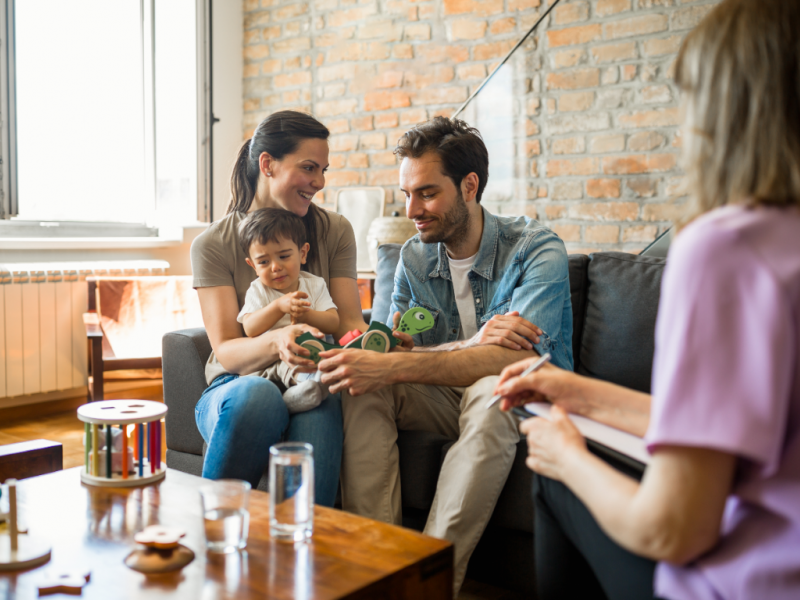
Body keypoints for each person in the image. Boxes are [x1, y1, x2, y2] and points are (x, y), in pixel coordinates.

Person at [493, 1, 800, 598]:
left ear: (723, 113)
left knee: (552, 475)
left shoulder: (727, 246)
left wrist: (566, 456)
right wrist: (578, 392)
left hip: (748, 582)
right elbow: (745, 428)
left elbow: (671, 530)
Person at [318, 116, 574, 592]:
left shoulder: (535, 249)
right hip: (444, 395)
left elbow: (513, 365)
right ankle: (378, 571)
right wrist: (397, 354)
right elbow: (389, 346)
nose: (412, 208)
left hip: (522, 400)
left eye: (427, 193)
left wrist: (403, 362)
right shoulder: (415, 257)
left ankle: (426, 586)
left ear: (470, 185)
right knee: (363, 386)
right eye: (406, 193)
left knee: (491, 392)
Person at [190, 110, 368, 506]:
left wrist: (378, 344)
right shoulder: (213, 245)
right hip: (234, 384)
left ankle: (301, 550)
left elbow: (350, 324)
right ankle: (214, 527)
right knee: (258, 397)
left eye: (322, 170)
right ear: (267, 164)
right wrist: (279, 340)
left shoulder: (334, 231)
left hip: (309, 373)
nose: (319, 182)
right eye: (308, 168)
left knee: (320, 399)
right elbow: (228, 351)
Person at [237, 207, 338, 413]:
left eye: (283, 256)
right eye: (264, 262)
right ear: (252, 265)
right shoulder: (258, 290)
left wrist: (306, 314)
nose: (275, 267)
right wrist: (278, 306)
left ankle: (310, 389)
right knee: (291, 370)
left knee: (323, 368)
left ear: (302, 253)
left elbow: (333, 322)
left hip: (311, 355)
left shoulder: (315, 285)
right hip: (273, 360)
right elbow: (250, 328)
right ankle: (292, 401)